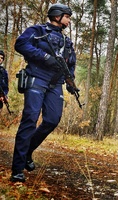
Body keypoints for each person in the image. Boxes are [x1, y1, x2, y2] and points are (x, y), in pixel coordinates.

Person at [11, 3, 76, 182]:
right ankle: (17, 168)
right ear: (57, 16)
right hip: (37, 79)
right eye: (67, 17)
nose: (69, 20)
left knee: (52, 120)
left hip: (55, 84)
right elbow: (21, 44)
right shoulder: (37, 30)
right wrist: (44, 57)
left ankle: (28, 151)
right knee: (30, 120)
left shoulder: (67, 41)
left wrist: (71, 81)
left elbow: (71, 63)